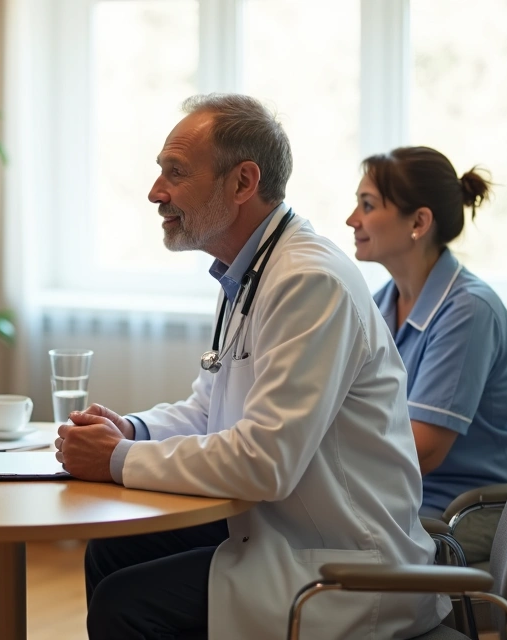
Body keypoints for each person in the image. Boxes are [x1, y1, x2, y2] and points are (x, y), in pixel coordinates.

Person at [54, 93, 447, 639]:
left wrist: (118, 459)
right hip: (278, 531)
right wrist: (133, 430)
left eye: (175, 172)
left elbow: (266, 461)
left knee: (128, 602)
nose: (155, 193)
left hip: (344, 564)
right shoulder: (251, 270)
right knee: (115, 546)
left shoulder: (309, 282)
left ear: (242, 183)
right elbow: (209, 408)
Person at [346, 146, 507, 563]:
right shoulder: (384, 302)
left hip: (472, 508)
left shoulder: (467, 310)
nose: (352, 220)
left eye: (367, 205)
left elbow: (425, 451)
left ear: (419, 222)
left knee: (303, 548)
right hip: (411, 495)